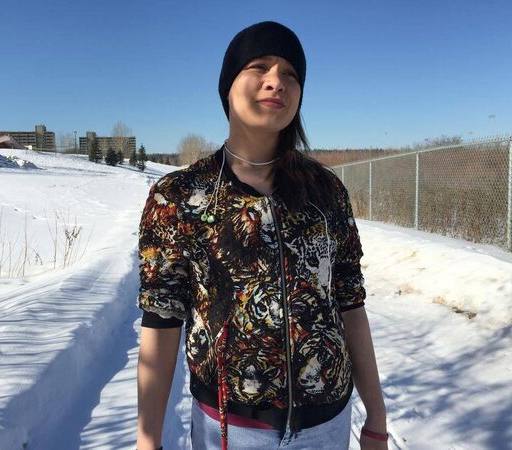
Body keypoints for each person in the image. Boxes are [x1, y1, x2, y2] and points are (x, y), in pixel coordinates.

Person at [136, 21, 388, 450]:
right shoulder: (179, 196)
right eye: (259, 67)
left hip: (326, 427)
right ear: (228, 86)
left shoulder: (326, 192)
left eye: (290, 73)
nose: (277, 81)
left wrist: (377, 420)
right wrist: (148, 440)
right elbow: (161, 321)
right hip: (230, 430)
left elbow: (351, 304)